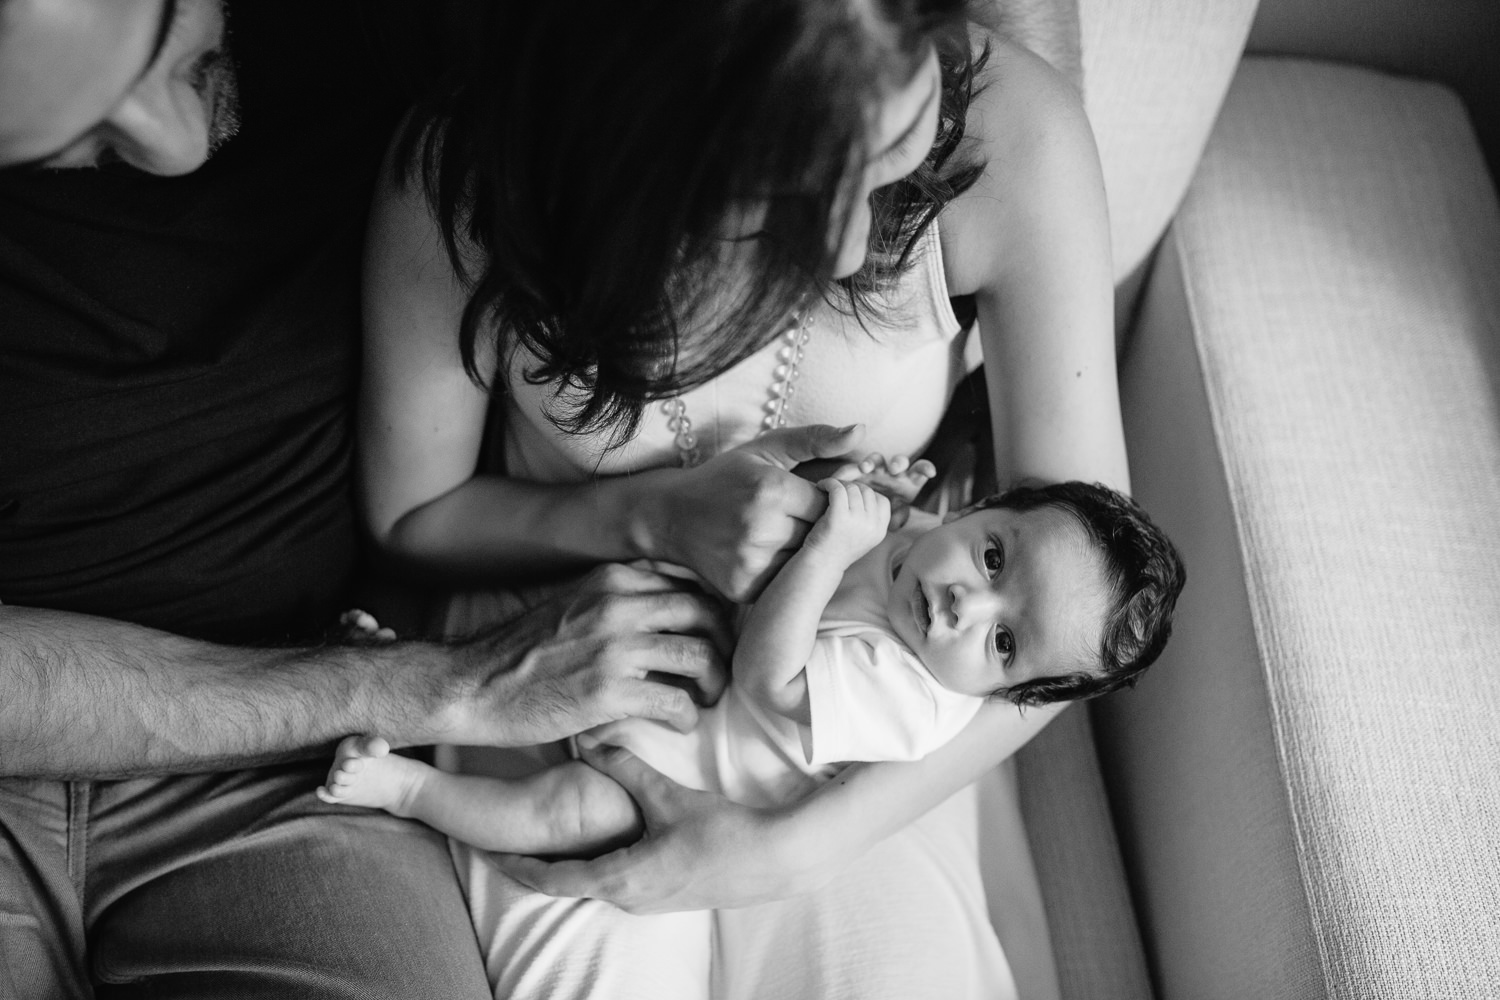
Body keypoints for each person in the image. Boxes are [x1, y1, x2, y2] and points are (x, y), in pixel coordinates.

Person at [356, 1, 1127, 995]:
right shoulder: (467, 181)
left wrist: (802, 844)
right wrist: (646, 514)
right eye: (805, 193)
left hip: (869, 709)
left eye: (891, 155)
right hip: (569, 654)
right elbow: (411, 518)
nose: (852, 249)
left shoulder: (1013, 139)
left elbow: (1079, 609)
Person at [0, 3, 729, 997]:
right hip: (323, 700)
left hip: (302, 760)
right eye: (58, 144)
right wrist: (433, 684)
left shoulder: (415, 39)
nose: (172, 148)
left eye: (163, 35)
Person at [320, 473, 1184, 996]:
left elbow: (772, 679)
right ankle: (408, 675)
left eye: (1003, 642)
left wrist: (832, 542)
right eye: (996, 558)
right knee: (561, 620)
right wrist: (871, 489)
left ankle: (409, 788)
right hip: (655, 665)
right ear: (985, 506)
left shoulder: (913, 699)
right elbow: (862, 524)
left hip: (666, 774)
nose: (966, 603)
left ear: (1015, 693)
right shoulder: (922, 542)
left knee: (558, 813)